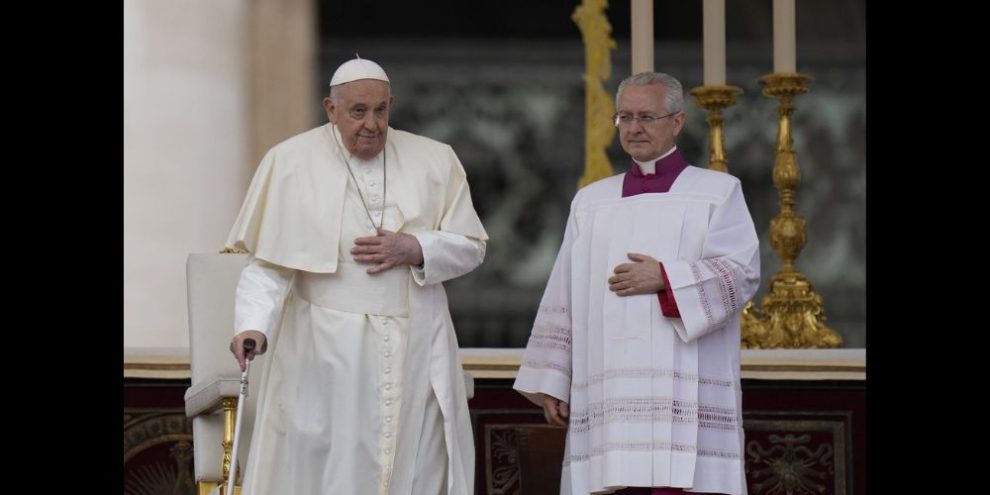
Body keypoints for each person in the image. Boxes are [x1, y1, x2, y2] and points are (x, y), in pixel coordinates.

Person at [225, 56, 488, 495]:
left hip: (416, 341)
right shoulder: (289, 162)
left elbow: (472, 247)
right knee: (327, 466)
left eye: (381, 110)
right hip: (324, 349)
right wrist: (252, 325)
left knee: (416, 465)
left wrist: (417, 247)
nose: (372, 124)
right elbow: (269, 266)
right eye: (357, 111)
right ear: (330, 109)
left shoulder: (435, 159)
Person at [513, 72, 761, 495]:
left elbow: (741, 274)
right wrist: (555, 379)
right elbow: (564, 292)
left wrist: (666, 278)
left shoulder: (717, 192)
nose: (634, 128)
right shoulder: (592, 201)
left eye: (646, 116)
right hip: (607, 385)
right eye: (625, 117)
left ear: (678, 122)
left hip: (683, 389)